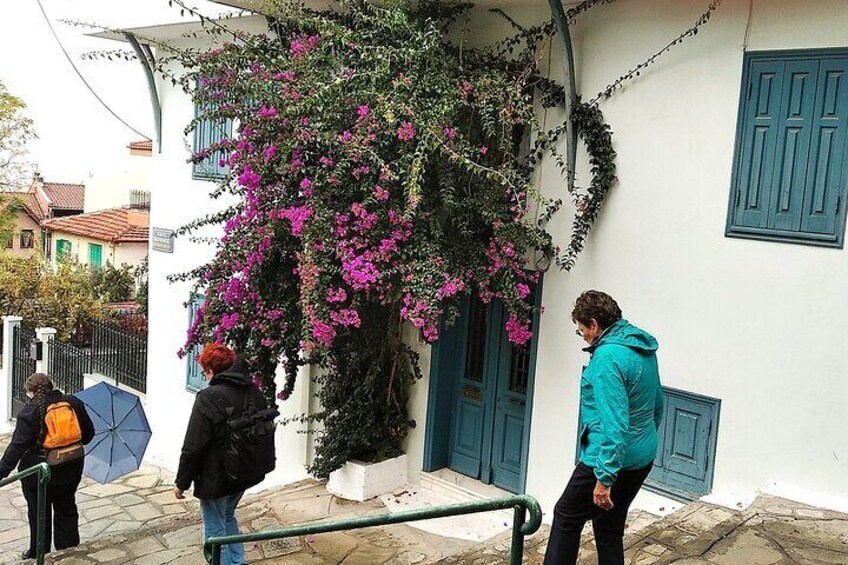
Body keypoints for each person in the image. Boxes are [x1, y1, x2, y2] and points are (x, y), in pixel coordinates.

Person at [544, 291, 664, 565]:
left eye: (581, 330)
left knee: (566, 516)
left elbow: (615, 424)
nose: (583, 336)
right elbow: (658, 404)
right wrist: (641, 442)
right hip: (641, 458)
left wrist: (605, 478)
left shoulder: (606, 358)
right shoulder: (641, 347)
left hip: (609, 459)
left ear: (595, 325)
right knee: (608, 527)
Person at [175, 343, 276, 565]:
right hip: (245, 471)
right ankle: (237, 562)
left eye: (204, 372)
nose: (204, 376)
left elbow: (194, 444)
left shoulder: (208, 397)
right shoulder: (253, 390)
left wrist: (181, 482)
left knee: (214, 529)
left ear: (211, 370)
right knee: (228, 515)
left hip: (216, 477)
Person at [0, 373, 95, 561]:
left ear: (30, 392)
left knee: (39, 513)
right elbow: (88, 435)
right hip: (72, 465)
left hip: (40, 472)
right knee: (66, 508)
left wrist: (2, 471)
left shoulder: (30, 412)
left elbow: (16, 448)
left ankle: (38, 554)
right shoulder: (73, 402)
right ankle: (68, 552)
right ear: (52, 385)